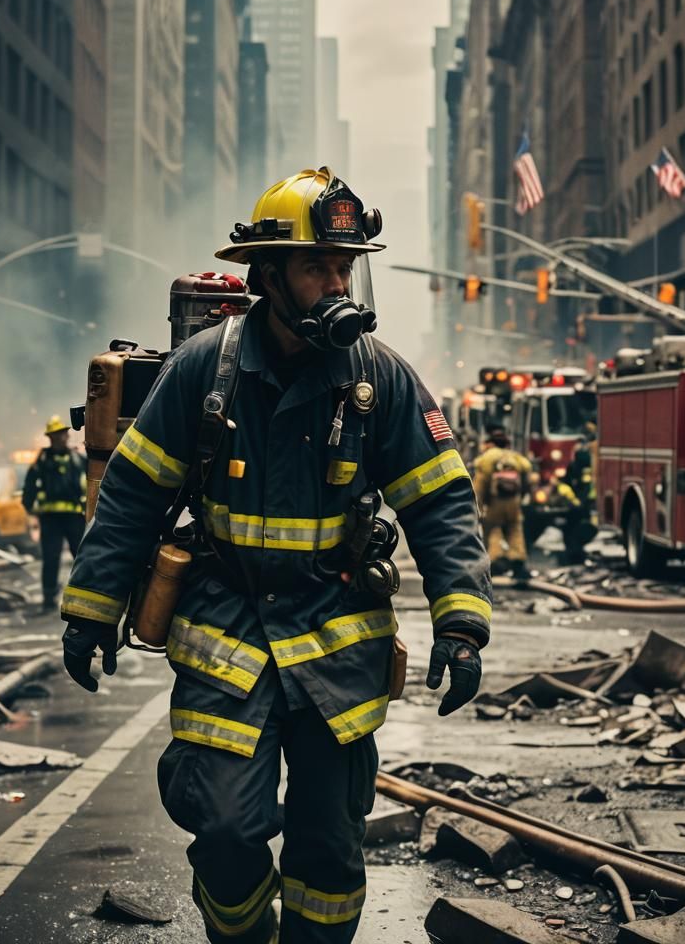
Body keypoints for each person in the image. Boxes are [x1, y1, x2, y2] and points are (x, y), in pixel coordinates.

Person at [59, 167, 491, 943]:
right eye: (315, 267)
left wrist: (463, 624)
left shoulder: (379, 376)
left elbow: (440, 500)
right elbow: (130, 495)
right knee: (224, 830)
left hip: (337, 641)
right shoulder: (205, 370)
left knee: (329, 849)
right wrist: (91, 612)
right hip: (227, 635)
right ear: (268, 276)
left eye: (343, 267)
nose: (335, 284)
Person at [22, 417, 87, 610]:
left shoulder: (78, 459)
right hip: (50, 518)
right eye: (58, 434)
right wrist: (29, 507)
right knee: (51, 558)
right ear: (51, 437)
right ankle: (49, 598)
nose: (62, 437)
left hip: (75, 517)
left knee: (81, 558)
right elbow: (29, 487)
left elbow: (93, 482)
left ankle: (83, 596)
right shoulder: (41, 461)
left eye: (64, 433)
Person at [472, 426, 532, 581]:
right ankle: (518, 561)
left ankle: (496, 561)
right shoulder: (515, 457)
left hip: (494, 503)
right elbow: (527, 476)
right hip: (513, 502)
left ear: (491, 443)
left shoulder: (486, 458)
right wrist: (523, 496)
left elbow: (480, 485)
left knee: (493, 529)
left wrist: (478, 507)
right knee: (514, 529)